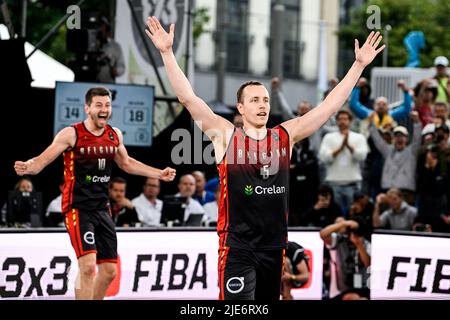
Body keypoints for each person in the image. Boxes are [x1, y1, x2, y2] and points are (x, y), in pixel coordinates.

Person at [146, 16, 384, 300]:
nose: (262, 105)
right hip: (238, 247)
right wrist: (167, 53)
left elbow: (329, 107)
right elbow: (189, 99)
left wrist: (358, 66)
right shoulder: (226, 135)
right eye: (255, 100)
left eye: (266, 100)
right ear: (240, 107)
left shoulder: (285, 135)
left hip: (274, 247)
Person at [14, 87, 176, 300]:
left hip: (102, 209)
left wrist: (159, 173)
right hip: (78, 208)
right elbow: (42, 161)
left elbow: (126, 163)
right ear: (87, 108)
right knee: (88, 266)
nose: (104, 109)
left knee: (110, 271)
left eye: (107, 105)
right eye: (99, 105)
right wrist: (29, 166)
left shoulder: (114, 134)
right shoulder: (72, 133)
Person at [318, 110, 369, 213]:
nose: (342, 122)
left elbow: (362, 156)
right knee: (336, 214)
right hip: (334, 184)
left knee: (353, 213)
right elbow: (324, 157)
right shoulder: (329, 137)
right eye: (340, 119)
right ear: (336, 121)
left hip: (353, 184)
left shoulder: (359, 137)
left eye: (345, 119)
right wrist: (340, 148)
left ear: (350, 121)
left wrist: (349, 147)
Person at [320, 217, 371, 300]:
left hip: (363, 286)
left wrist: (358, 244)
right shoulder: (339, 239)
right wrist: (344, 223)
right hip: (342, 289)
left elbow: (368, 264)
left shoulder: (366, 243)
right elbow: (323, 234)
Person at [95, 17, 125, 83]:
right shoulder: (89, 44)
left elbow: (121, 68)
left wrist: (114, 70)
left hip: (107, 84)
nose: (100, 30)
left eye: (102, 27)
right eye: (99, 27)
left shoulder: (115, 47)